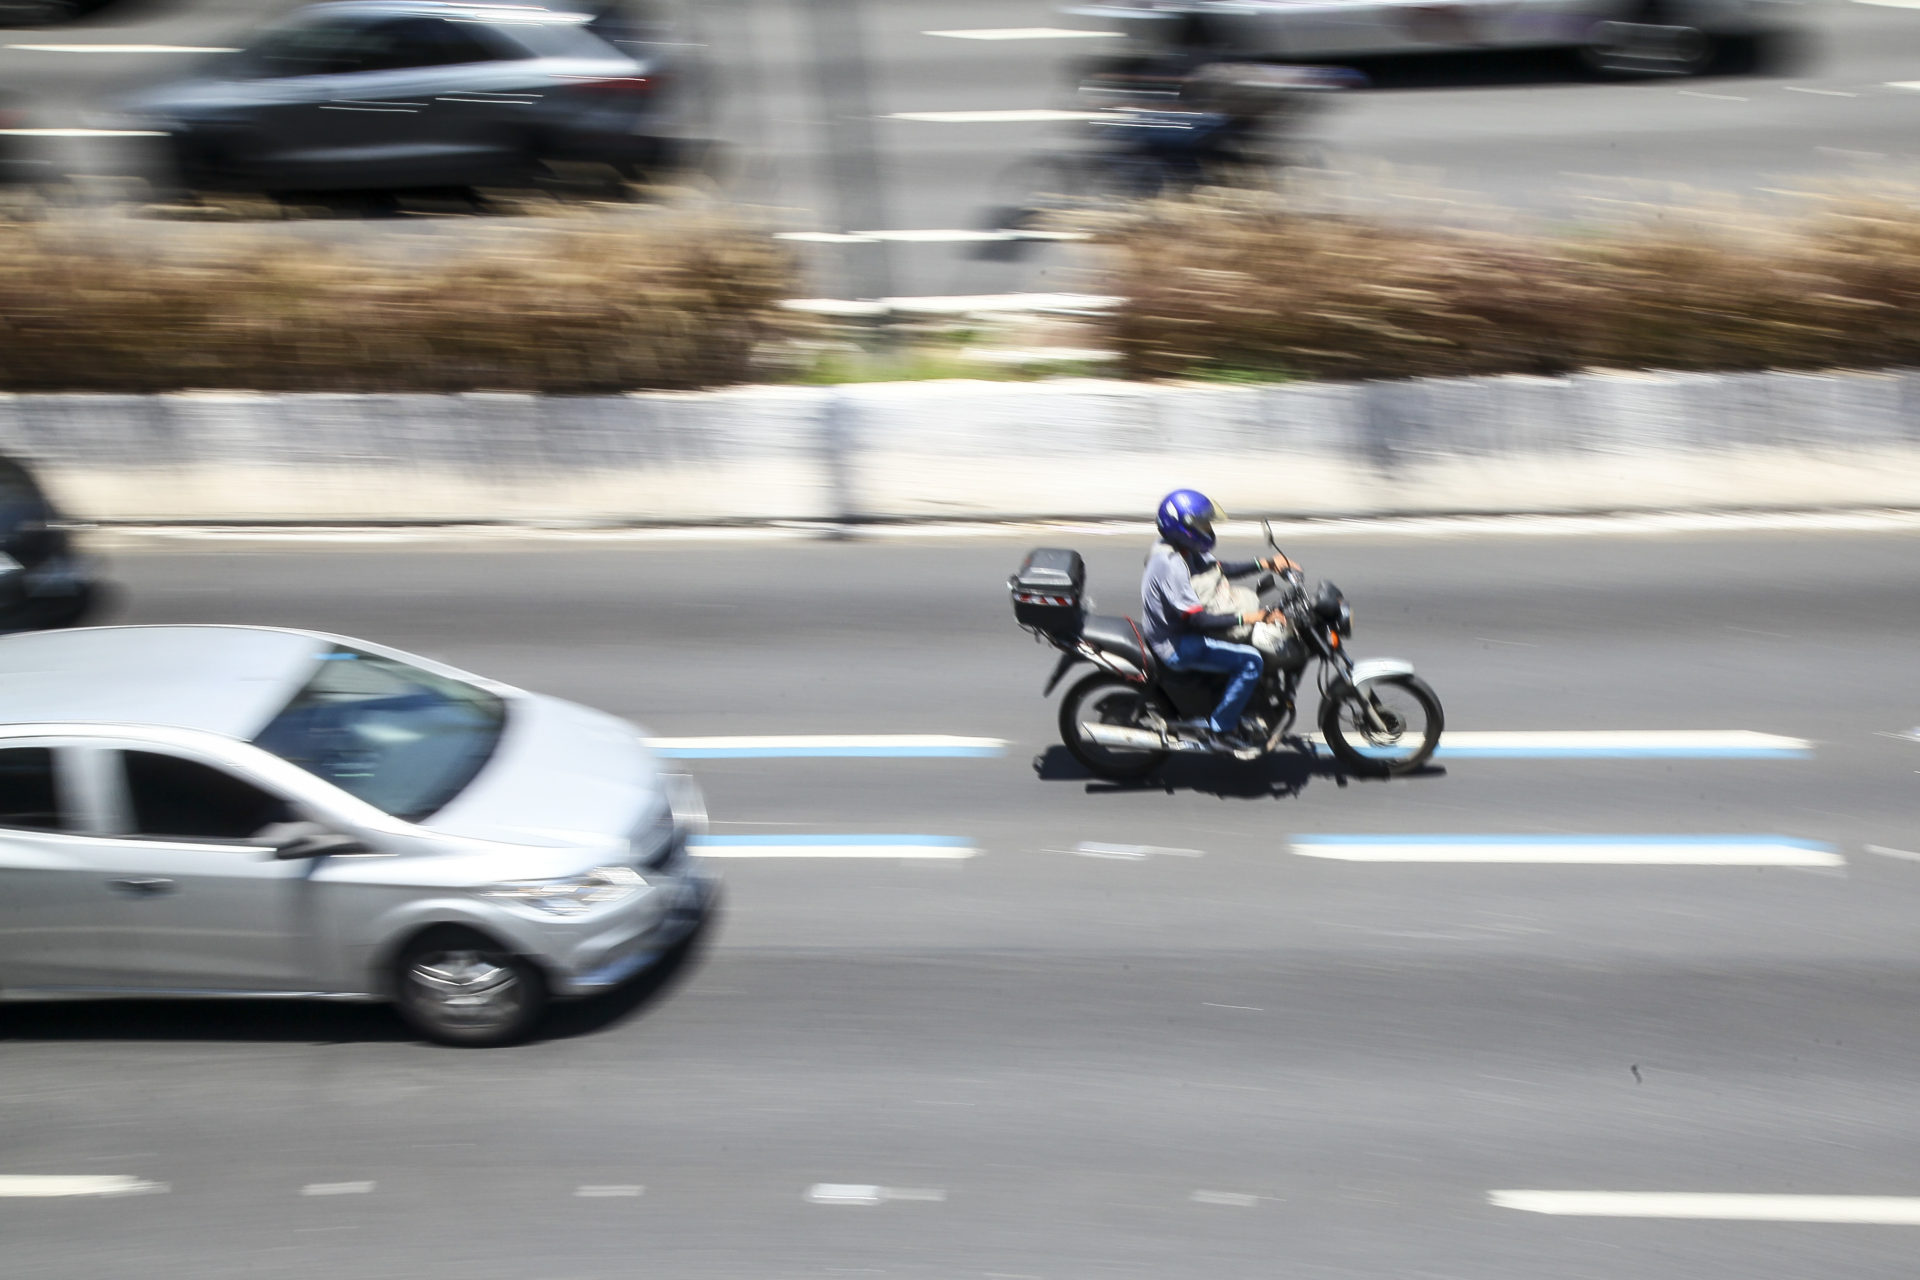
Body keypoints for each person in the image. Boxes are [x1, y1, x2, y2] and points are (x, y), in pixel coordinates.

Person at [1140, 489, 1299, 749]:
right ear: (1184, 528)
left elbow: (1219, 569)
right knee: (1251, 661)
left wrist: (1266, 564)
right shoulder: (1171, 564)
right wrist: (1253, 617)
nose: (1208, 528)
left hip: (1177, 630)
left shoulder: (1181, 549)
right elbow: (1199, 622)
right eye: (1202, 523)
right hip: (1175, 644)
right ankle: (1221, 731)